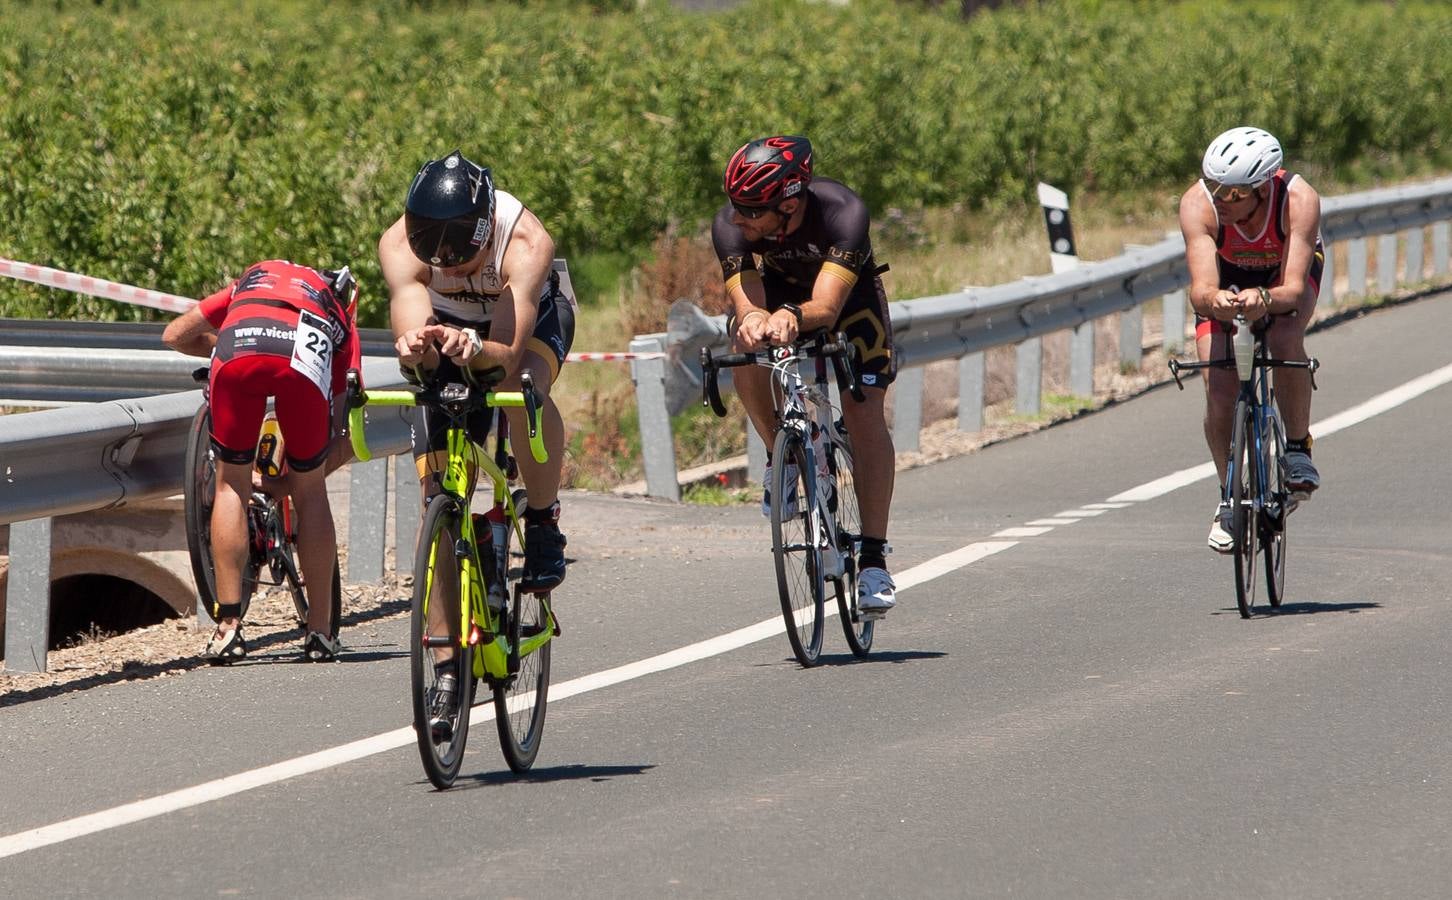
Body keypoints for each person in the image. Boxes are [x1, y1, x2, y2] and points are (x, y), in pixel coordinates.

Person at [378, 149, 575, 736]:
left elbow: (507, 352)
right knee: (435, 494)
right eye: (439, 259)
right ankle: (445, 667)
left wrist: (478, 350)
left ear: (486, 231)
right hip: (446, 324)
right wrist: (420, 347)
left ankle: (541, 519)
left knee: (519, 388)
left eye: (464, 259)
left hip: (528, 321)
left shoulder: (525, 241)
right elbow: (414, 325)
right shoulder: (400, 246)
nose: (453, 268)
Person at [711, 135, 899, 614]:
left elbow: (828, 305)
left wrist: (794, 313)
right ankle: (782, 452)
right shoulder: (730, 223)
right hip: (778, 294)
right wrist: (754, 318)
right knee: (743, 341)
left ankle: (874, 560)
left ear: (789, 203)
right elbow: (748, 298)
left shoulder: (844, 213)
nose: (738, 218)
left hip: (847, 302)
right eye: (735, 205)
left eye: (752, 210)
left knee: (863, 413)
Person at [163, 260, 361, 661]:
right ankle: (320, 633)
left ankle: (228, 628)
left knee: (230, 484)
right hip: (303, 353)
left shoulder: (252, 281)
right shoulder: (338, 313)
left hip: (239, 342)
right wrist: (294, 482)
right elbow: (347, 435)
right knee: (312, 492)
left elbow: (174, 335)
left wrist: (221, 342)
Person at [1179, 126, 1324, 552]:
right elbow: (1200, 288)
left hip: (1282, 278)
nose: (1222, 200)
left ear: (1263, 188)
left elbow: (1294, 289)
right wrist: (1216, 300)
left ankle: (1297, 448)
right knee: (1219, 385)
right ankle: (1230, 495)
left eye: (1235, 194)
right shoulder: (1198, 205)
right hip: (1227, 281)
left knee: (1283, 336)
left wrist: (1266, 298)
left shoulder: (1298, 200)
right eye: (1216, 188)